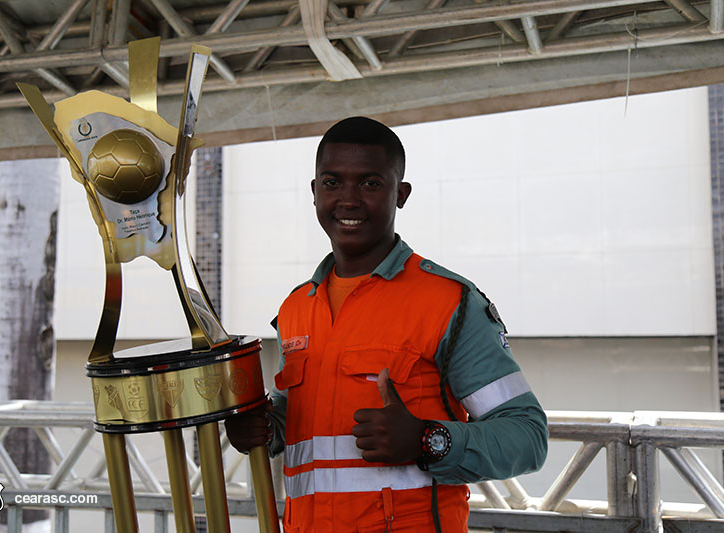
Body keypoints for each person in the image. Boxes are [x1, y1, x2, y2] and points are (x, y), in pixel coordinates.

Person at [225, 117, 548, 532]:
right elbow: (302, 431)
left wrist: (426, 439)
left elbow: (528, 436)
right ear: (314, 192)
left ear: (402, 194)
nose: (349, 200)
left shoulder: (447, 302)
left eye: (371, 184)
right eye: (332, 183)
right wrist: (264, 428)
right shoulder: (295, 309)